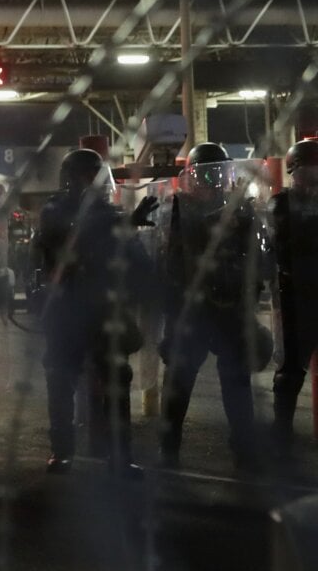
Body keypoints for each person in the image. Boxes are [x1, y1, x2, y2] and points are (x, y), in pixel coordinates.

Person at [32, 149, 148, 478]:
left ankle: (120, 456)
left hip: (103, 308)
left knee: (116, 380)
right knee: (60, 380)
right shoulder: (55, 210)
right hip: (67, 310)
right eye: (91, 178)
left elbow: (130, 256)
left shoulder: (109, 213)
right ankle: (62, 452)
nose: (98, 185)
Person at [160, 142, 270, 470]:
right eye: (204, 175)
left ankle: (244, 446)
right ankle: (169, 447)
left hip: (230, 307)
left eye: (218, 174)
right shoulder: (178, 210)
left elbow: (259, 255)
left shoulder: (241, 209)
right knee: (179, 380)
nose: (212, 182)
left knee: (236, 380)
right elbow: (168, 257)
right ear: (191, 179)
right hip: (190, 309)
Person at [271, 139, 318, 453]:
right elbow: (277, 248)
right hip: (296, 295)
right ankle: (282, 433)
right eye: (307, 174)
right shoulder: (282, 204)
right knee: (290, 371)